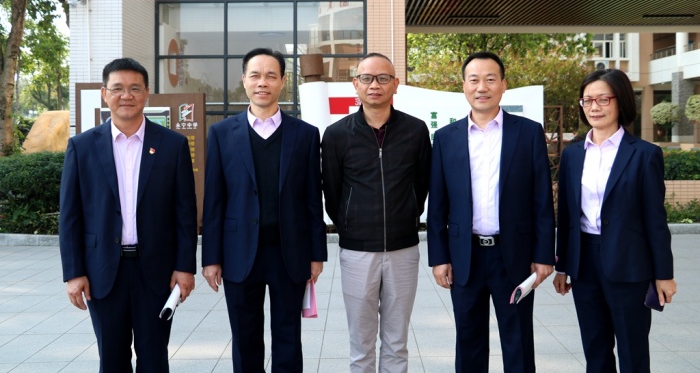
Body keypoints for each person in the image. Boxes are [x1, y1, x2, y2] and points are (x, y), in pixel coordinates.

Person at [59, 57, 198, 372]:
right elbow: (70, 216)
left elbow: (185, 213)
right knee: (112, 359)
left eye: (135, 88)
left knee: (154, 358)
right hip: (103, 273)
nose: (126, 95)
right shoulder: (82, 147)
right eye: (118, 88)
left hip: (157, 272)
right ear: (104, 93)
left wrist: (184, 267)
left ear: (146, 93)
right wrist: (74, 273)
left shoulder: (172, 145)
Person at [427, 51, 555, 373]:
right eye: (474, 80)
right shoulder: (446, 138)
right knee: (468, 343)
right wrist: (439, 257)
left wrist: (543, 255)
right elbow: (438, 204)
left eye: (490, 79)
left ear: (503, 85)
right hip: (464, 257)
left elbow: (542, 199)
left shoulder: (528, 133)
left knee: (518, 342)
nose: (481, 87)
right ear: (464, 86)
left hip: (514, 257)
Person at [201, 48, 327, 372]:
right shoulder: (221, 134)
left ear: (283, 81)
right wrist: (211, 257)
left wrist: (317, 255)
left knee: (288, 338)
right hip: (239, 252)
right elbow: (214, 201)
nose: (262, 83)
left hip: (290, 253)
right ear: (244, 80)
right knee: (245, 340)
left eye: (271, 76)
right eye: (255, 75)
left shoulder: (305, 135)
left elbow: (313, 199)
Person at [553, 68, 677, 372]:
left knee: (633, 352)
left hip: (629, 265)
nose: (594, 107)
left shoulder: (644, 154)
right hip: (584, 263)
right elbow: (566, 216)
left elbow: (655, 220)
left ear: (620, 101)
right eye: (587, 100)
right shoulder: (572, 155)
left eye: (603, 99)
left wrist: (664, 274)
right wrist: (562, 266)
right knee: (595, 350)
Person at [321, 52, 432, 372]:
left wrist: (407, 215)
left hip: (403, 249)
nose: (375, 85)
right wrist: (349, 223)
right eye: (367, 78)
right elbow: (332, 190)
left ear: (395, 84)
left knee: (397, 342)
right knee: (361, 344)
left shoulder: (415, 131)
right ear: (355, 84)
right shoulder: (337, 134)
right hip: (357, 251)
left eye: (383, 78)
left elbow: (422, 183)